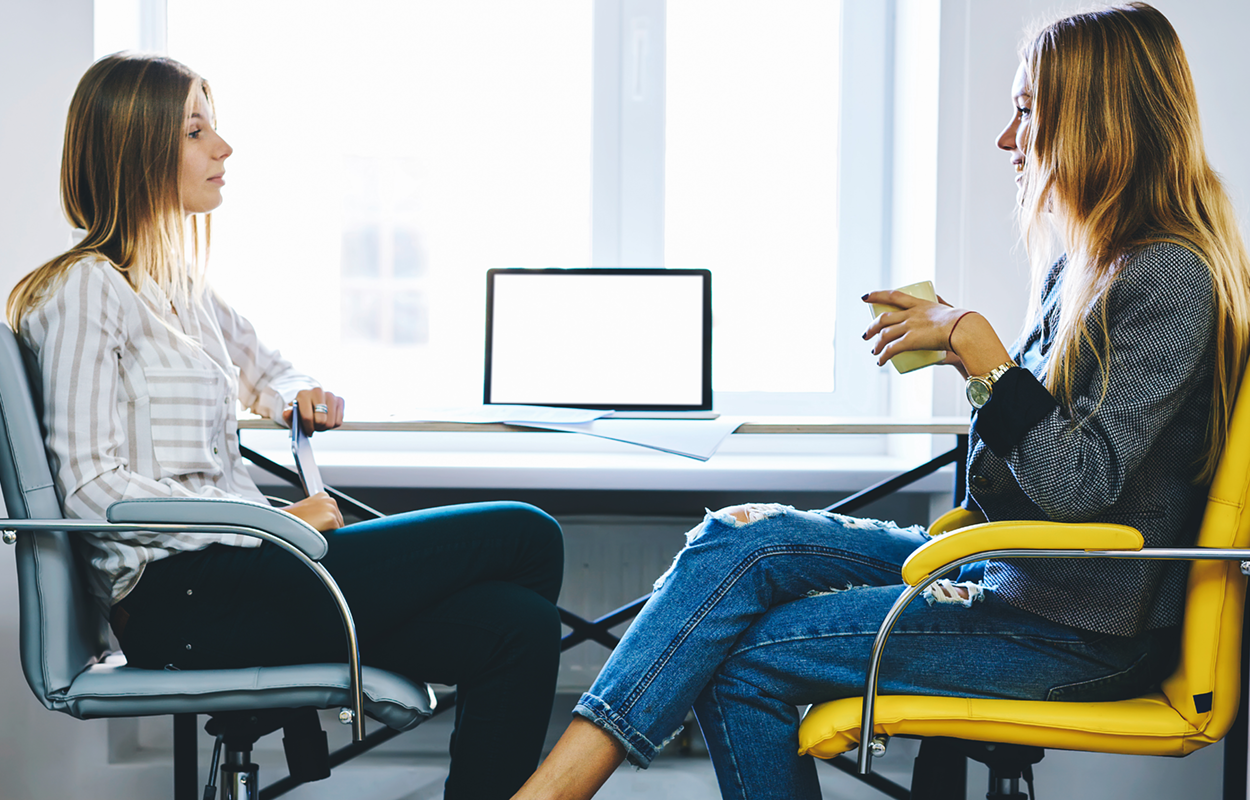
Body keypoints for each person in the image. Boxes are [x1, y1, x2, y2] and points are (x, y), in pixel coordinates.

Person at [511, 4, 1250, 799]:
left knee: (750, 660)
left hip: (1078, 634)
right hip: (1012, 577)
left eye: (1027, 111)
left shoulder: (1167, 276)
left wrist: (978, 347)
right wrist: (976, 361)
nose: (1008, 138)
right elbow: (1031, 466)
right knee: (740, 538)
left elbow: (1079, 486)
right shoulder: (1085, 265)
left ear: (1096, 120)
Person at [8, 53, 565, 800]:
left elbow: (268, 368)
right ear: (135, 149)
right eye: (196, 131)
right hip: (187, 598)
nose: (224, 149)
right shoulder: (83, 291)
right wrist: (269, 525)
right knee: (527, 535)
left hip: (246, 579)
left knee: (519, 627)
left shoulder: (178, 286)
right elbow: (90, 489)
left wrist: (299, 396)